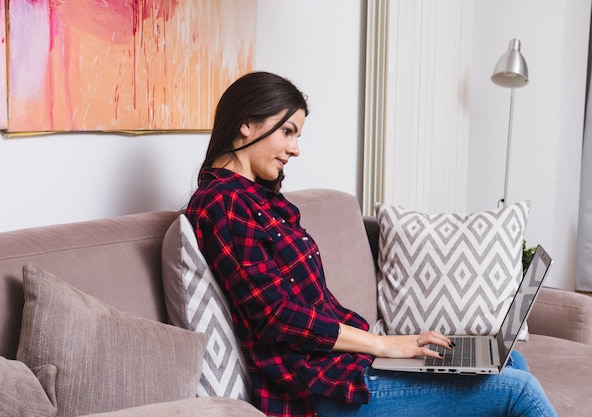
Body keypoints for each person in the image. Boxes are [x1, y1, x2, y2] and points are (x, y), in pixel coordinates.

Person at [186, 71, 557, 417]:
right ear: (246, 123)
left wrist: (395, 345)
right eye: (288, 131)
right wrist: (385, 346)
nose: (295, 149)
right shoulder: (222, 202)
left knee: (510, 364)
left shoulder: (260, 199)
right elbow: (277, 317)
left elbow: (313, 305)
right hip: (318, 389)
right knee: (518, 391)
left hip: (343, 365)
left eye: (296, 135)